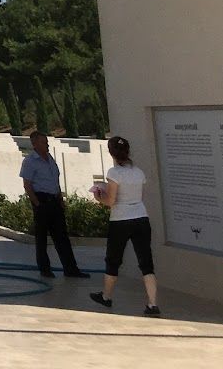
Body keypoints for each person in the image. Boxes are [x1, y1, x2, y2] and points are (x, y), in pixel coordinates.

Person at [90, 135, 161, 317]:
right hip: (141, 217)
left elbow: (111, 200)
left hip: (120, 219)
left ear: (111, 152)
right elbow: (138, 196)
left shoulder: (114, 173)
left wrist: (99, 196)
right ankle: (153, 304)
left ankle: (106, 296)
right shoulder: (139, 172)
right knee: (146, 262)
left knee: (113, 260)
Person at [20, 130, 89, 278]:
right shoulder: (30, 161)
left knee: (61, 236)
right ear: (34, 144)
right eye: (43, 142)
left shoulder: (50, 159)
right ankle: (45, 269)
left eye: (47, 142)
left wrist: (60, 199)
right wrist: (37, 203)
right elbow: (27, 184)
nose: (47, 145)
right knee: (42, 237)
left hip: (54, 200)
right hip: (42, 200)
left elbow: (55, 181)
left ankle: (70, 268)